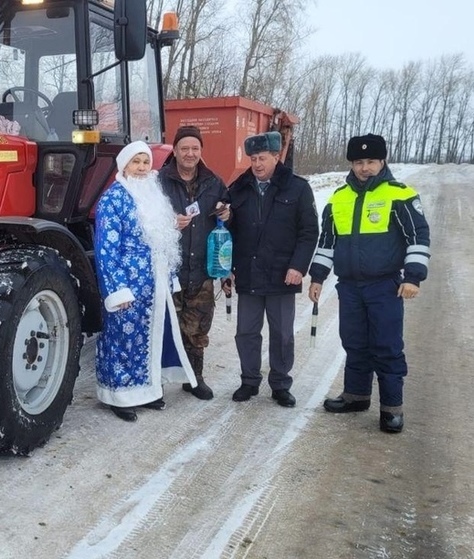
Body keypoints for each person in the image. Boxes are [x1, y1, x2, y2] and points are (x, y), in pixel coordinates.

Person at [308, 133, 431, 433]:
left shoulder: (399, 195)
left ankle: (391, 409)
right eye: (359, 162)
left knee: (386, 346)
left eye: (371, 161)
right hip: (349, 286)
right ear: (352, 163)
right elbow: (327, 242)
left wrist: (413, 276)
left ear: (382, 161)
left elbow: (418, 237)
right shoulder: (339, 198)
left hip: (385, 286)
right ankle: (356, 395)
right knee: (354, 342)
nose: (365, 168)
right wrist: (318, 277)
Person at [94, 140, 197, 422]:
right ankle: (120, 395)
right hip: (128, 283)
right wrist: (117, 289)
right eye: (136, 162)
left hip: (155, 283)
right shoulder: (113, 200)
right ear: (124, 166)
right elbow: (106, 250)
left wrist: (170, 278)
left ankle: (149, 391)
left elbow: (163, 241)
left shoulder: (154, 195)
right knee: (123, 339)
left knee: (152, 338)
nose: (141, 168)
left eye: (145, 162)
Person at [226, 131, 319, 407]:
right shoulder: (238, 188)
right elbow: (228, 233)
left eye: (262, 158)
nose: (256, 164)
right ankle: (249, 381)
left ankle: (280, 383)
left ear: (276, 157)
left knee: (282, 333)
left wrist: (298, 266)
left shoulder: (297, 188)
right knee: (246, 332)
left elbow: (309, 231)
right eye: (253, 158)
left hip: (282, 275)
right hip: (248, 274)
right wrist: (227, 269)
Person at [159, 126, 230, 400]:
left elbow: (227, 214)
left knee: (197, 328)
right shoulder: (159, 181)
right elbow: (145, 218)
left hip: (201, 268)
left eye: (195, 149)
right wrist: (169, 222)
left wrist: (227, 212)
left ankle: (193, 378)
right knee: (166, 327)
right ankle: (159, 382)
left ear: (201, 152)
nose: (190, 153)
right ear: (174, 150)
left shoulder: (214, 182)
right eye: (184, 148)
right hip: (170, 270)